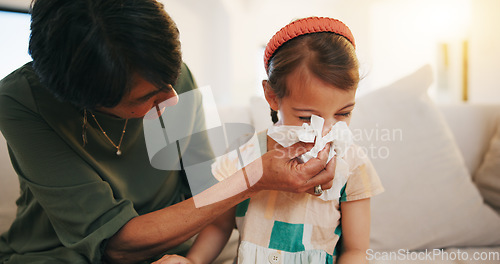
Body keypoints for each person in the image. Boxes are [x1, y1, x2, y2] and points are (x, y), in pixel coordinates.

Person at [0, 1, 336, 263]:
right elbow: (117, 245)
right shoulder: (20, 101)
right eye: (146, 97)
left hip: (176, 251)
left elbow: (207, 192)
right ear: (87, 101)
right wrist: (255, 177)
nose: (173, 99)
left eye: (171, 79)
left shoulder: (171, 79)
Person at [158, 17, 385, 264]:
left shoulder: (352, 163)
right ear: (272, 97)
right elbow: (219, 226)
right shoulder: (244, 155)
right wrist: (193, 261)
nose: (326, 131)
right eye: (308, 117)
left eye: (343, 113)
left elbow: (356, 250)